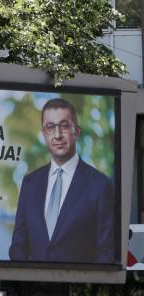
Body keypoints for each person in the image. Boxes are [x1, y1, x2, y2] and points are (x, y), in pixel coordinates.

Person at [8, 98, 116, 265]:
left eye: (64, 126)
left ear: (77, 132)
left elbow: (106, 251)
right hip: (31, 289)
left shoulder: (100, 185)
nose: (57, 135)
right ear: (44, 133)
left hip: (78, 288)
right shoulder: (30, 183)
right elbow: (18, 246)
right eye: (50, 127)